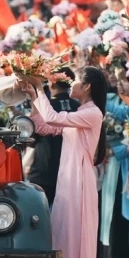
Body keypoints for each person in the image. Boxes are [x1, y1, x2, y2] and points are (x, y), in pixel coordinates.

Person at [20, 66, 106, 258]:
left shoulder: (91, 114)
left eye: (77, 81)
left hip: (79, 184)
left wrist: (39, 87)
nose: (72, 86)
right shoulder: (81, 113)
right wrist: (32, 95)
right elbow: (45, 126)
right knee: (64, 243)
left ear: (88, 86)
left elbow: (52, 116)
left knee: (75, 246)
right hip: (69, 182)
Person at [27, 72, 79, 207]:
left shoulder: (46, 107)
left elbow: (31, 137)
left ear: (52, 83)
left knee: (37, 219)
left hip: (43, 171)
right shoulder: (80, 108)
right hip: (71, 174)